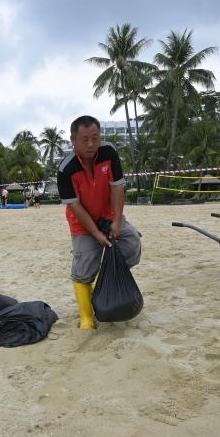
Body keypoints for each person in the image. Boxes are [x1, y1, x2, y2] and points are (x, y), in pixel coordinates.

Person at [56, 115, 142, 330]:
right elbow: (75, 206)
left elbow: (117, 187)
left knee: (132, 245)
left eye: (95, 137)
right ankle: (86, 316)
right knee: (83, 269)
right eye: (84, 139)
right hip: (82, 223)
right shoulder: (65, 170)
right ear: (73, 140)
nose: (91, 144)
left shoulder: (109, 152)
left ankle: (106, 283)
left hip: (110, 214)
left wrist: (116, 221)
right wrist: (95, 234)